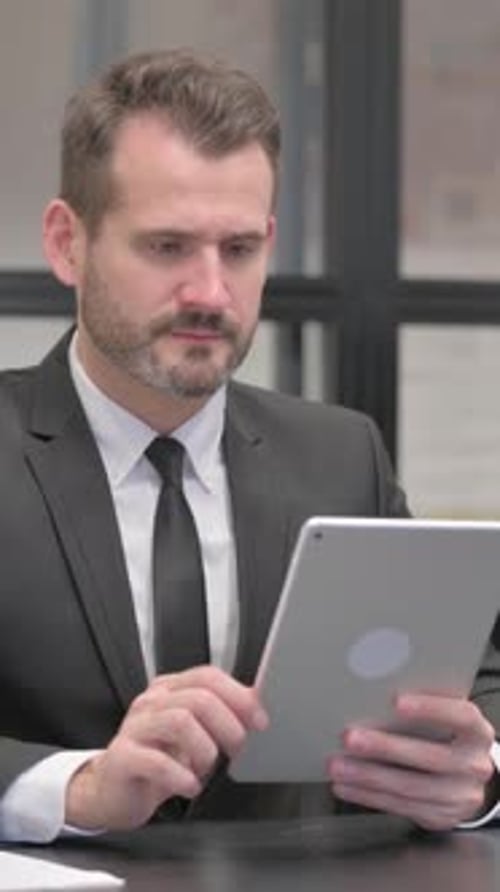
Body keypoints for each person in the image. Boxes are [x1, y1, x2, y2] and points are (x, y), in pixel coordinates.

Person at [0, 48, 498, 843]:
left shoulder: (342, 455)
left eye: (238, 250)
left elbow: (475, 683)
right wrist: (78, 788)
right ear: (68, 243)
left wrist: (482, 777)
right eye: (167, 247)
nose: (209, 292)